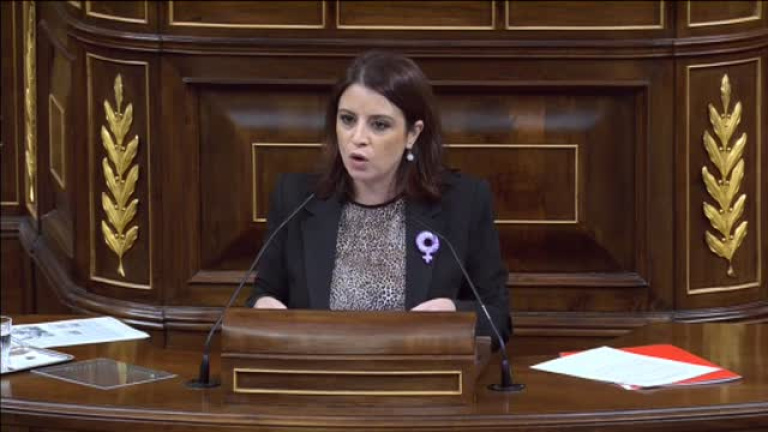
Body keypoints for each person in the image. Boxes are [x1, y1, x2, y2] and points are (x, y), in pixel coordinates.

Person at [246, 51, 510, 343]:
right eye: (347, 119)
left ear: (412, 134)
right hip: (319, 368)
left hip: (415, 370)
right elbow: (263, 295)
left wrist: (454, 313)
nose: (357, 137)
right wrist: (263, 307)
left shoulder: (463, 202)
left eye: (379, 124)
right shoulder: (296, 198)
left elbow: (498, 319)